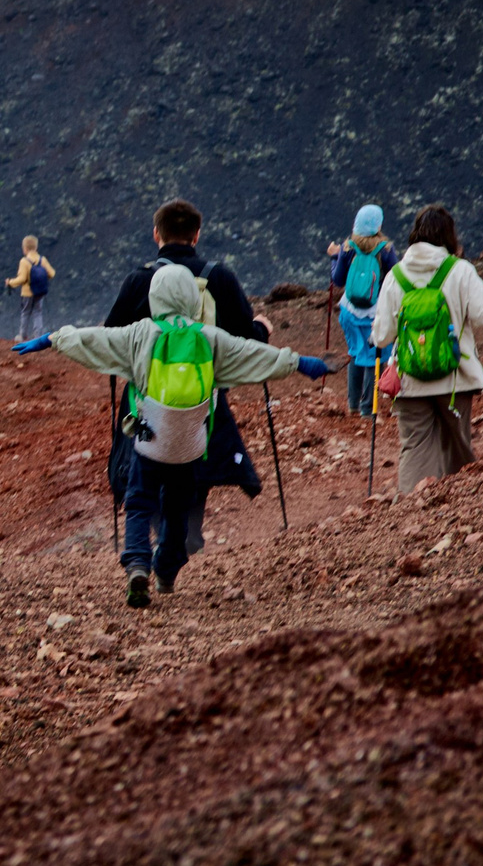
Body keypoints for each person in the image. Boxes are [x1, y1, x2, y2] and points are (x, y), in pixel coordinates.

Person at [24, 264, 328, 606]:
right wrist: (300, 363)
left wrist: (52, 339)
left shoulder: (140, 334)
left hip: (150, 439)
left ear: (156, 297)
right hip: (191, 445)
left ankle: (138, 564)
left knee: (139, 504)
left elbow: (93, 339)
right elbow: (254, 354)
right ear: (191, 299)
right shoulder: (210, 337)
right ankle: (166, 571)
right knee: (178, 510)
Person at [371, 206, 483, 496]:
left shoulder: (395, 276)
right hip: (455, 380)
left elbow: (381, 336)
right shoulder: (460, 270)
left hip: (410, 381)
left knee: (414, 447)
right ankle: (460, 507)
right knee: (457, 445)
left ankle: (411, 509)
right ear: (449, 236)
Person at [102, 198, 272, 340]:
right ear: (196, 236)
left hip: (149, 380)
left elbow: (111, 337)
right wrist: (261, 328)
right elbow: (247, 339)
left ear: (156, 234)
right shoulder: (221, 277)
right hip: (206, 379)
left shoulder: (139, 280)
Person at [324, 205, 399, 418]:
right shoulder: (385, 249)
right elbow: (395, 277)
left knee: (356, 353)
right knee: (374, 358)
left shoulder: (347, 248)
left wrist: (334, 258)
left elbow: (337, 280)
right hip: (374, 313)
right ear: (378, 225)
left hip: (349, 312)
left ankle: (353, 405)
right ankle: (368, 410)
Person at [5, 236, 55, 341]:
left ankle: (22, 335)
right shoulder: (42, 260)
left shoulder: (24, 261)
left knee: (25, 312)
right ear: (36, 248)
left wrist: (10, 283)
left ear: (25, 249)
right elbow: (52, 273)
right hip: (40, 292)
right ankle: (38, 336)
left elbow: (22, 279)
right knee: (38, 313)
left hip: (27, 293)